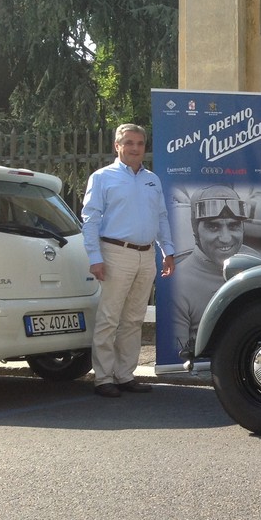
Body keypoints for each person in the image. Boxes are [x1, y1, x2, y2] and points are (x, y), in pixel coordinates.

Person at [82, 124, 175, 398]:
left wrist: (167, 251)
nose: (135, 148)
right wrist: (94, 257)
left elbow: (161, 218)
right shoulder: (102, 178)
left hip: (146, 255)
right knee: (109, 318)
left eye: (140, 143)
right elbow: (90, 219)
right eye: (129, 143)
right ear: (117, 146)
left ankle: (125, 375)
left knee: (134, 318)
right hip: (114, 253)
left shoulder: (152, 180)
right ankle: (103, 378)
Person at [172, 185, 259, 362]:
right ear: (196, 232)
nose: (226, 238)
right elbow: (177, 356)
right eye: (213, 227)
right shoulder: (178, 285)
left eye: (234, 226)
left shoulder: (258, 266)